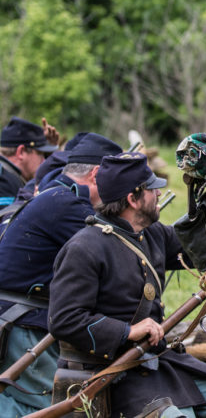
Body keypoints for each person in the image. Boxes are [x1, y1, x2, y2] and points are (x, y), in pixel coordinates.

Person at [49, 152, 206, 418]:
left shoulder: (150, 233)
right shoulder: (84, 248)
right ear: (133, 198)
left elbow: (202, 250)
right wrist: (127, 331)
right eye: (153, 189)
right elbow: (63, 320)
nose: (159, 194)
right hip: (110, 372)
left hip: (152, 361)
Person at [0, 133, 122, 417]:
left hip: (20, 317)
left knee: (20, 401)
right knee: (46, 405)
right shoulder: (67, 205)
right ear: (95, 175)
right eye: (116, 176)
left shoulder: (57, 194)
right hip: (23, 323)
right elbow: (116, 255)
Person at [0, 117, 59, 209]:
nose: (44, 161)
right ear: (21, 152)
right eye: (40, 153)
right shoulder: (5, 182)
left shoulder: (8, 176)